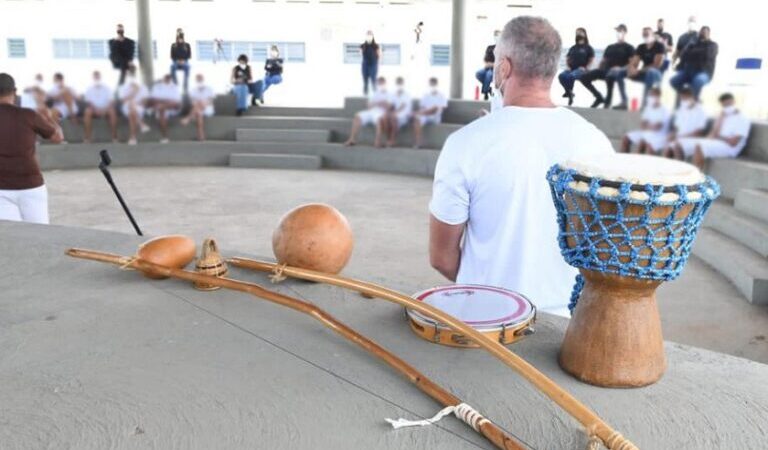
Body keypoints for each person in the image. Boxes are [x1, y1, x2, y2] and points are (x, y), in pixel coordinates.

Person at [429, 16, 614, 316]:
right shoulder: (596, 142)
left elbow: (442, 258)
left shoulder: (465, 144)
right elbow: (603, 243)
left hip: (484, 321)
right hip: (567, 324)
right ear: (555, 70)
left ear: (504, 68)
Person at [0, 73, 64, 224]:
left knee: (11, 239)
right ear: (15, 92)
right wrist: (50, 118)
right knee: (40, 236)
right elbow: (57, 138)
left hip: (1, 187)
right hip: (30, 184)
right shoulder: (28, 115)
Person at [668, 93, 750, 169]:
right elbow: (713, 135)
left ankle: (695, 179)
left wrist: (718, 137)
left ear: (734, 102)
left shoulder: (742, 118)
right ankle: (677, 172)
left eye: (728, 104)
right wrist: (720, 120)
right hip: (717, 142)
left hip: (730, 148)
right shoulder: (723, 116)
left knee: (699, 145)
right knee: (678, 143)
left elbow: (733, 142)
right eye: (724, 105)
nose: (727, 107)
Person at [579, 24, 635, 109]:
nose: (618, 33)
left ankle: (607, 103)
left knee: (610, 75)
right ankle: (599, 97)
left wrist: (620, 68)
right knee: (583, 77)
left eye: (620, 31)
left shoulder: (629, 47)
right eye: (617, 31)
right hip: (605, 70)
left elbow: (632, 63)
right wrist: (593, 70)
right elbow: (603, 61)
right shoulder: (610, 47)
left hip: (619, 72)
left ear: (625, 33)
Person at [641, 87, 706, 155]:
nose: (683, 101)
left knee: (674, 147)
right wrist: (672, 134)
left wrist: (680, 136)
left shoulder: (701, 111)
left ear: (692, 97)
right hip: (678, 137)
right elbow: (677, 128)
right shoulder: (682, 109)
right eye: (682, 99)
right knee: (659, 146)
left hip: (690, 139)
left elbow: (698, 132)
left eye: (685, 98)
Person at [670, 26, 718, 101]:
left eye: (705, 32)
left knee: (698, 81)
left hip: (704, 72)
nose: (702, 33)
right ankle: (684, 97)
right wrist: (697, 52)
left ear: (709, 33)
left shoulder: (713, 45)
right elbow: (683, 55)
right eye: (701, 32)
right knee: (674, 81)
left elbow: (707, 55)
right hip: (688, 72)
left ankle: (693, 100)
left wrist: (693, 53)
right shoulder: (692, 44)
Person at [344, 76, 390, 148]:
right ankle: (352, 139)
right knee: (357, 116)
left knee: (379, 119)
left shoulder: (389, 94)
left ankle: (377, 141)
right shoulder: (374, 93)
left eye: (382, 82)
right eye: (379, 83)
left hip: (381, 113)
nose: (380, 84)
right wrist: (379, 103)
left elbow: (389, 107)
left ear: (385, 83)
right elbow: (368, 106)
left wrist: (380, 104)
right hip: (371, 112)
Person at [620, 88, 669, 153]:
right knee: (626, 138)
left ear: (658, 96)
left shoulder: (664, 111)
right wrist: (649, 126)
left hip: (658, 135)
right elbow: (642, 125)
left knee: (643, 141)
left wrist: (648, 125)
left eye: (652, 95)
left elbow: (657, 128)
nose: (650, 97)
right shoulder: (648, 109)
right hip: (645, 132)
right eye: (650, 95)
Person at [627, 27, 665, 107]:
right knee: (622, 71)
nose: (645, 36)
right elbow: (635, 62)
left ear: (652, 35)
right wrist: (631, 68)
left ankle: (646, 104)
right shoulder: (641, 47)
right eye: (643, 34)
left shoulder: (659, 46)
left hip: (656, 74)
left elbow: (656, 65)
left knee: (650, 72)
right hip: (644, 72)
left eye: (647, 34)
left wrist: (639, 71)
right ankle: (624, 101)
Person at [558, 27, 594, 106]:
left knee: (571, 76)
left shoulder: (588, 47)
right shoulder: (573, 47)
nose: (578, 34)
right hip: (571, 69)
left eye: (580, 32)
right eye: (577, 32)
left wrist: (586, 67)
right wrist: (568, 66)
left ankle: (569, 93)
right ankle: (569, 92)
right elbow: (567, 58)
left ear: (585, 34)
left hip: (581, 69)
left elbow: (591, 59)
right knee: (561, 76)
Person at [118, 66, 150, 145]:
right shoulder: (123, 87)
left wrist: (135, 103)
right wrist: (134, 92)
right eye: (130, 73)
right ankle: (141, 124)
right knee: (130, 107)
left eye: (133, 72)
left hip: (139, 107)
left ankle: (133, 137)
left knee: (132, 110)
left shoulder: (143, 87)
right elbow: (122, 101)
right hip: (126, 107)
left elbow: (145, 102)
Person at [82, 70, 118, 143]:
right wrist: (95, 110)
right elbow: (89, 102)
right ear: (93, 78)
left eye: (98, 76)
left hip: (106, 109)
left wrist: (105, 109)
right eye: (95, 77)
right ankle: (88, 138)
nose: (96, 78)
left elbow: (111, 101)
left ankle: (114, 137)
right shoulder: (89, 88)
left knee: (112, 112)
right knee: (87, 111)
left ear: (100, 77)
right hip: (94, 110)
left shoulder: (107, 88)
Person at [412, 77, 447, 149]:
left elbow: (443, 107)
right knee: (417, 120)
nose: (432, 86)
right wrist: (424, 112)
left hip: (435, 116)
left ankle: (417, 113)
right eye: (431, 84)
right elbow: (422, 106)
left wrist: (431, 110)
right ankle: (418, 143)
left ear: (436, 84)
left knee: (434, 107)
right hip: (425, 115)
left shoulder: (441, 95)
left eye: (433, 84)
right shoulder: (425, 95)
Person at [181, 74, 215, 141]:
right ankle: (201, 135)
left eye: (200, 78)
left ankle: (188, 118)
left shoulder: (209, 88)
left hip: (208, 108)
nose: (199, 79)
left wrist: (204, 103)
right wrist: (200, 103)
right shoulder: (193, 90)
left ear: (203, 79)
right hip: (197, 109)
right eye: (198, 78)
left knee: (200, 106)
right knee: (199, 112)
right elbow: (193, 103)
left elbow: (211, 101)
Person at [150, 74, 182, 144]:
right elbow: (153, 99)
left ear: (171, 78)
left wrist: (163, 101)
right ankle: (165, 137)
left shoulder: (175, 87)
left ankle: (165, 137)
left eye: (169, 77)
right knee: (162, 110)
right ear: (163, 78)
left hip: (172, 108)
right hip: (161, 107)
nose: (167, 79)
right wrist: (167, 101)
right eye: (166, 77)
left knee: (162, 107)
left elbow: (177, 101)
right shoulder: (157, 86)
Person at [385, 77, 412, 147]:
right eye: (398, 83)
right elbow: (390, 105)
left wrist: (394, 112)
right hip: (397, 113)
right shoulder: (393, 94)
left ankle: (392, 140)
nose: (399, 84)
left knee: (393, 117)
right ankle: (389, 139)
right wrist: (387, 111)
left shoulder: (407, 94)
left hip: (405, 113)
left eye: (400, 83)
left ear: (403, 84)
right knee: (386, 117)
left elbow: (403, 106)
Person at [475, 30, 500, 101]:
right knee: (478, 73)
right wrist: (489, 64)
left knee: (489, 75)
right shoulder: (490, 48)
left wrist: (492, 64)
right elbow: (485, 60)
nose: (496, 37)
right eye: (495, 35)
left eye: (498, 35)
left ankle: (485, 92)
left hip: (497, 70)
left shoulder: (503, 48)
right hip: (488, 68)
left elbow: (501, 62)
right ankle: (488, 89)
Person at [360, 31, 381, 95]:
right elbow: (361, 54)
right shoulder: (362, 46)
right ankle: (365, 97)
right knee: (365, 82)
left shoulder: (376, 46)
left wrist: (375, 63)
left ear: (372, 36)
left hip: (373, 65)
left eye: (370, 35)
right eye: (368, 35)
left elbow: (379, 55)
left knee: (373, 81)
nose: (369, 36)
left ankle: (376, 97)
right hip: (365, 65)